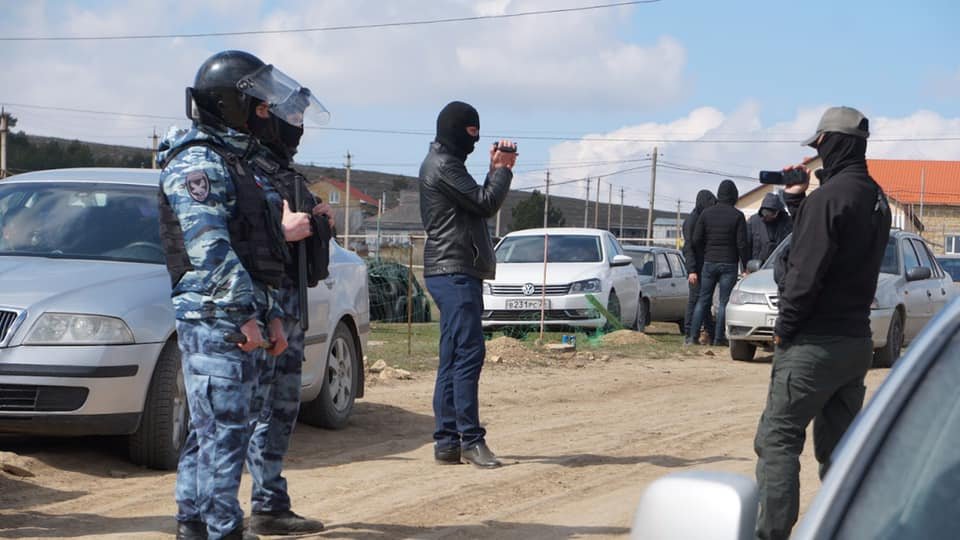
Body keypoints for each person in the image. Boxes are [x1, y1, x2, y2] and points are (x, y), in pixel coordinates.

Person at [159, 50, 290, 540]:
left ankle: (195, 524)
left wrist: (272, 314)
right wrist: (243, 315)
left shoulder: (235, 161)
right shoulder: (197, 163)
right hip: (216, 318)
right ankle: (221, 529)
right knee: (224, 434)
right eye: (258, 103)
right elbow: (209, 249)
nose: (265, 112)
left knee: (215, 429)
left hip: (241, 314)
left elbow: (258, 249)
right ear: (229, 103)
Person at [753, 106, 891, 540]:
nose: (818, 154)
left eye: (819, 146)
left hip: (814, 342)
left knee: (777, 439)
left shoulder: (828, 199)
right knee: (840, 451)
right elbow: (831, 245)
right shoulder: (875, 198)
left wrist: (784, 329)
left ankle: (772, 534)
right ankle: (847, 529)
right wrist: (798, 201)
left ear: (832, 143)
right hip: (855, 342)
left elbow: (805, 272)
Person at [244, 86, 334, 535]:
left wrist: (319, 223)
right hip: (257, 308)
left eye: (302, 120)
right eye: (292, 120)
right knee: (248, 410)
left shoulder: (283, 172)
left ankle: (269, 504)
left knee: (282, 407)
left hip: (290, 306)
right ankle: (214, 514)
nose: (297, 129)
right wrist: (286, 230)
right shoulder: (247, 170)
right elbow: (242, 239)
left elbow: (302, 241)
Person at [419, 101, 516, 468]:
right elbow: (485, 203)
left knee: (453, 356)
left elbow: (474, 202)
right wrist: (502, 172)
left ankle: (447, 441)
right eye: (471, 132)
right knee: (469, 354)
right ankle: (471, 441)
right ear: (454, 130)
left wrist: (493, 170)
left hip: (451, 270)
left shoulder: (445, 163)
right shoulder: (444, 166)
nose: (474, 140)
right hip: (454, 271)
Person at [688, 179, 749, 346]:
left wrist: (706, 250)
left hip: (709, 261)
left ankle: (692, 337)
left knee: (703, 300)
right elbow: (742, 244)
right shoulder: (737, 216)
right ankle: (719, 338)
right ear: (734, 195)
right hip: (729, 263)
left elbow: (696, 239)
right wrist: (745, 266)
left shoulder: (706, 214)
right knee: (724, 302)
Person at [682, 189, 717, 345]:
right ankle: (689, 333)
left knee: (705, 301)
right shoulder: (692, 221)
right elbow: (688, 248)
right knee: (695, 300)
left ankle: (710, 332)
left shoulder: (701, 218)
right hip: (696, 268)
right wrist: (692, 270)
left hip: (703, 267)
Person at [746, 192, 792, 264]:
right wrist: (747, 265)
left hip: (781, 264)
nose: (768, 216)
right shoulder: (753, 222)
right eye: (765, 213)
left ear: (778, 212)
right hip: (757, 265)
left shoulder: (787, 222)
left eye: (771, 213)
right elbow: (746, 245)